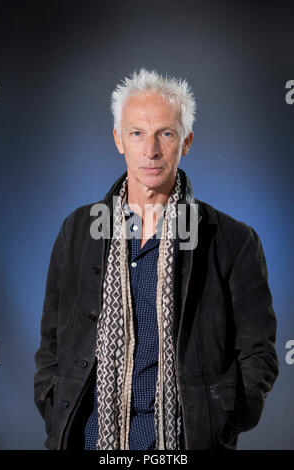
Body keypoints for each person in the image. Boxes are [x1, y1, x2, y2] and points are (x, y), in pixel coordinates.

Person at [34, 68, 279, 451]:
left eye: (166, 133)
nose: (151, 150)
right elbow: (52, 342)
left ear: (187, 142)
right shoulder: (78, 231)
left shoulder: (232, 240)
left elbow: (258, 351)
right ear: (119, 139)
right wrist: (55, 409)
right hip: (89, 440)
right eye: (137, 133)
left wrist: (221, 424)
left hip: (183, 443)